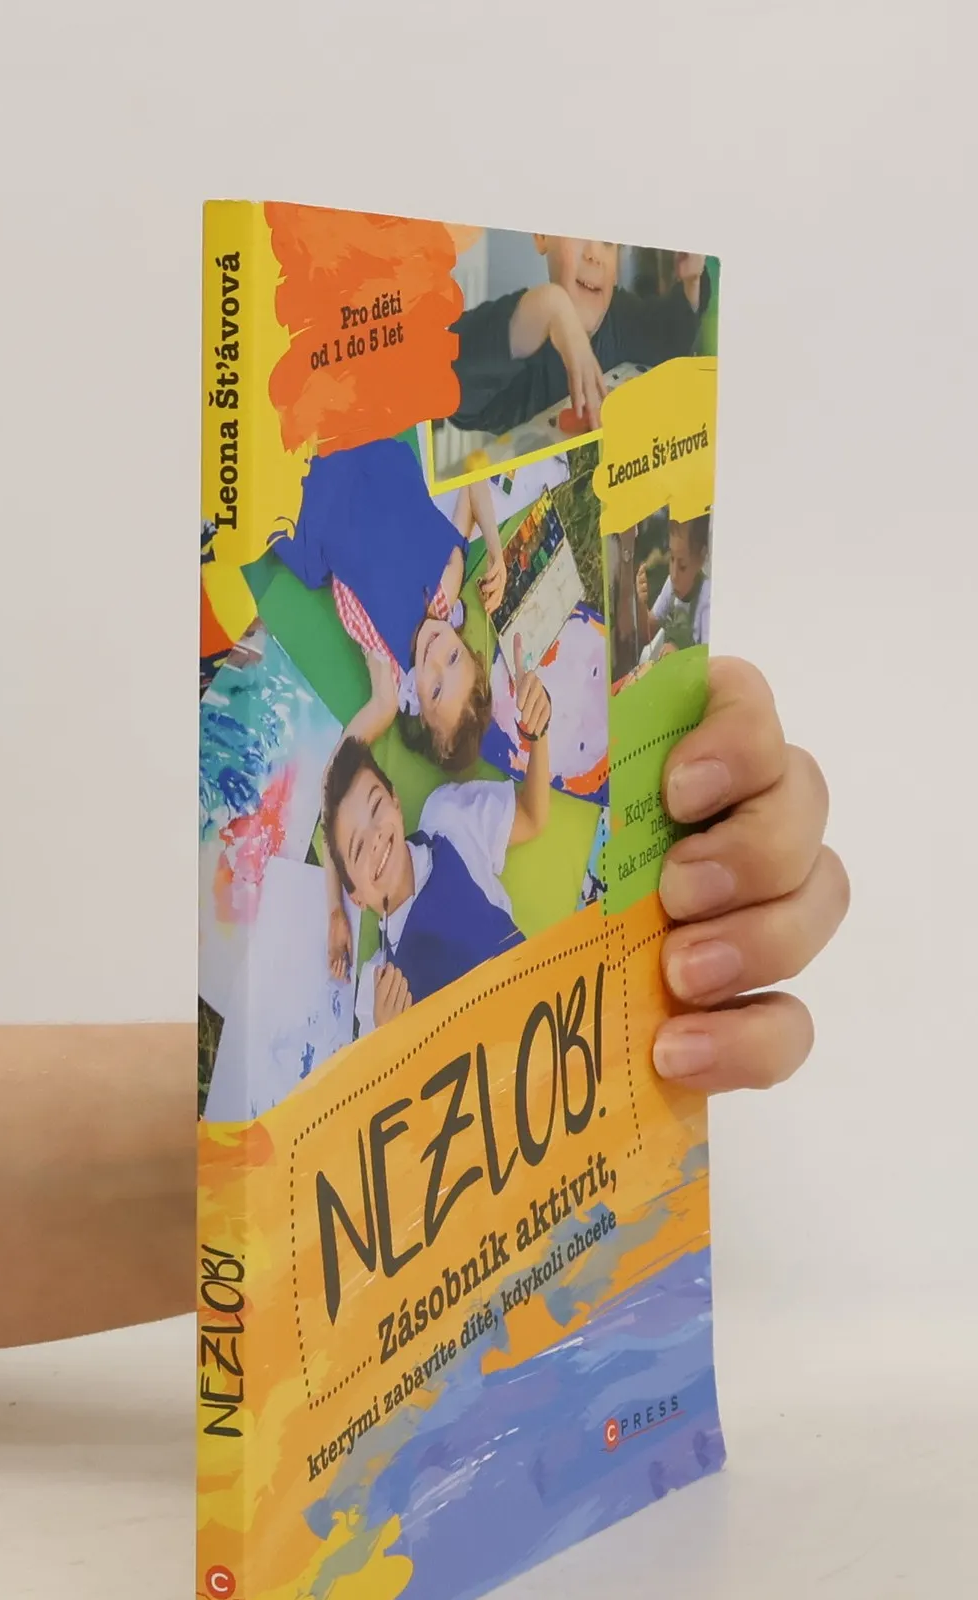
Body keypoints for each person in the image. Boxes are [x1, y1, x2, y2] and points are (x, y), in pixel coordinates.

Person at [0, 657, 847, 1389]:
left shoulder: (447, 838)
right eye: (357, 840)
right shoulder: (367, 957)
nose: (377, 842)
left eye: (375, 822)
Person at [318, 651, 553, 1031]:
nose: (375, 839)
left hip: (545, 1020)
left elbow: (531, 817)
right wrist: (392, 1040)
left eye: (376, 807)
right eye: (358, 849)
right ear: (355, 897)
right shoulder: (375, 993)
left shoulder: (447, 816)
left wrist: (537, 732)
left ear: (396, 801)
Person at [266, 436, 509, 773]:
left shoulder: (389, 669)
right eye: (454, 657)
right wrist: (496, 550)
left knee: (280, 525)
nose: (437, 655)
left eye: (436, 689)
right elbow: (473, 472)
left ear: (418, 710)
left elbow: (370, 723)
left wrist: (329, 786)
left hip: (317, 502)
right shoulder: (448, 583)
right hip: (366, 450)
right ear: (465, 645)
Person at [448, 239, 710, 438]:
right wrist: (550, 305)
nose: (594, 255)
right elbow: (451, 375)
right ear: (542, 236)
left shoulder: (622, 315)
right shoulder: (529, 344)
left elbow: (670, 338)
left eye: (608, 242)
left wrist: (692, 282)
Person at [638, 511, 713, 661]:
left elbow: (710, 661)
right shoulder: (671, 586)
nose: (674, 574)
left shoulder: (707, 598)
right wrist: (641, 602)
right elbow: (647, 634)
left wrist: (679, 656)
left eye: (682, 566)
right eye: (672, 559)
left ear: (702, 557)